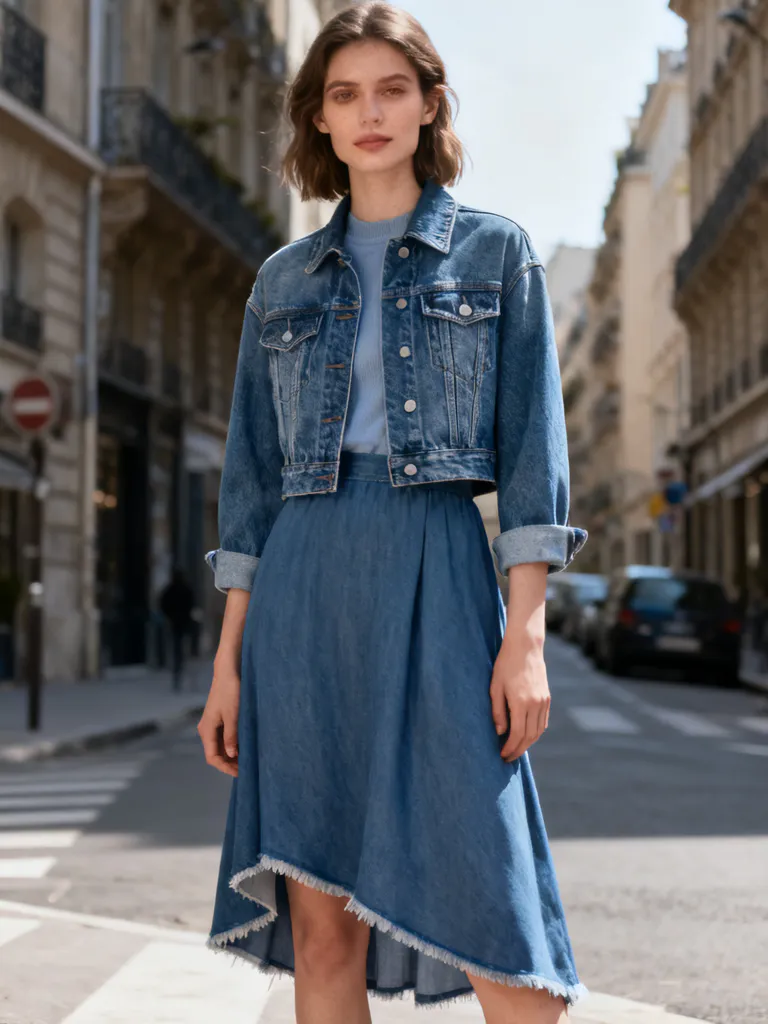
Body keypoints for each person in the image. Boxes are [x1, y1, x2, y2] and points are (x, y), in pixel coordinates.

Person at [197, 4, 589, 1021]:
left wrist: (526, 637)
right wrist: (228, 663)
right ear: (319, 119)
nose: (369, 113)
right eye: (345, 95)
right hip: (303, 591)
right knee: (321, 927)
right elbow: (252, 485)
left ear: (427, 106)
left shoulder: (497, 255)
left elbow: (534, 458)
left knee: (499, 907)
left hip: (441, 572)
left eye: (390, 90)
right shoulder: (281, 281)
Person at [159, 567, 195, 690]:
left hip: (175, 623)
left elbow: (163, 604)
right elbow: (191, 604)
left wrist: (169, 616)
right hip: (182, 623)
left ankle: (177, 669)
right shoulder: (185, 589)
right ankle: (180, 668)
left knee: (176, 648)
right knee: (181, 648)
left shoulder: (171, 590)